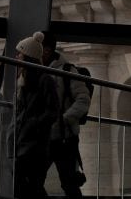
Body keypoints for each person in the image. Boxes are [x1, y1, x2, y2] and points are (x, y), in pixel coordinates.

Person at [9, 31, 60, 198]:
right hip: (23, 142)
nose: (17, 57)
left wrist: (34, 124)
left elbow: (53, 111)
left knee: (29, 186)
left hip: (35, 145)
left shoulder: (45, 80)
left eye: (20, 54)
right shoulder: (23, 81)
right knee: (28, 187)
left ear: (29, 57)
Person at [41, 31, 91, 197]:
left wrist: (64, 119)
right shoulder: (34, 70)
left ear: (46, 50)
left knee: (68, 183)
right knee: (31, 180)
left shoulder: (67, 71)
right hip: (44, 136)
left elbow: (83, 99)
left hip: (64, 137)